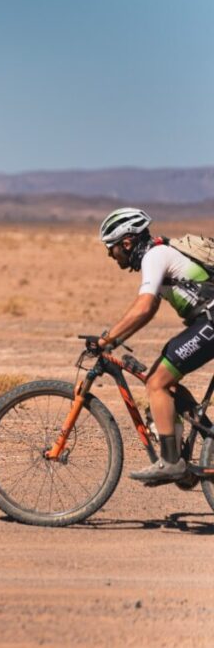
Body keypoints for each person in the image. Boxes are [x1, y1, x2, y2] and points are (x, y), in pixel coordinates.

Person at [94, 207, 214, 483]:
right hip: (206, 322)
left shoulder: (155, 256)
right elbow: (148, 310)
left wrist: (107, 340)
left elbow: (144, 307)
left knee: (157, 383)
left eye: (111, 248)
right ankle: (199, 443)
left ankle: (171, 462)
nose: (110, 255)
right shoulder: (160, 253)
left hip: (211, 322)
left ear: (127, 242)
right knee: (164, 380)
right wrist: (117, 339)